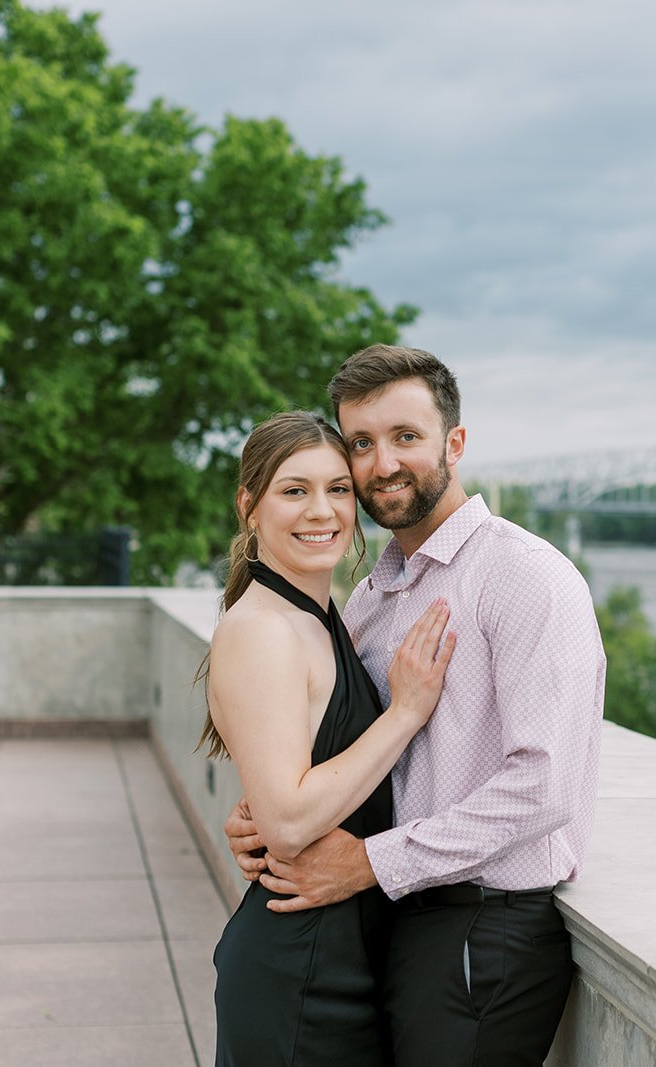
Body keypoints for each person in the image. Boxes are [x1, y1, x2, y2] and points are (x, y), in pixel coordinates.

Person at [224, 346, 606, 1066]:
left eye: (406, 436)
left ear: (454, 443)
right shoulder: (372, 597)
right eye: (362, 444)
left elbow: (543, 785)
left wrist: (370, 860)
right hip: (391, 923)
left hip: (484, 928)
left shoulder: (525, 577)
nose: (383, 463)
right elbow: (346, 753)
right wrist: (267, 816)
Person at [201, 410, 456, 1066]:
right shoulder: (264, 629)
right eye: (295, 490)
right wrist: (404, 714)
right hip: (301, 973)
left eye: (339, 488)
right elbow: (286, 824)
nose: (323, 510)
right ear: (248, 505)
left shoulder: (316, 616)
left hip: (340, 954)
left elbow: (291, 781)